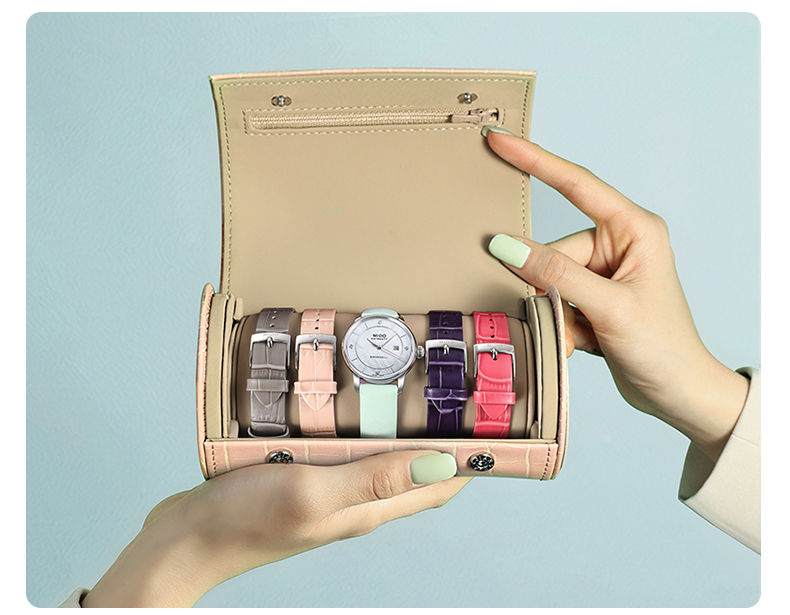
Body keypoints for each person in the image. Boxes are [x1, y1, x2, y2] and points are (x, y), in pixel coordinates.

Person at [60, 129, 760, 608]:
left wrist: (181, 545)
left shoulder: (411, 349)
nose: (381, 345)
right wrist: (187, 541)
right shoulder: (352, 349)